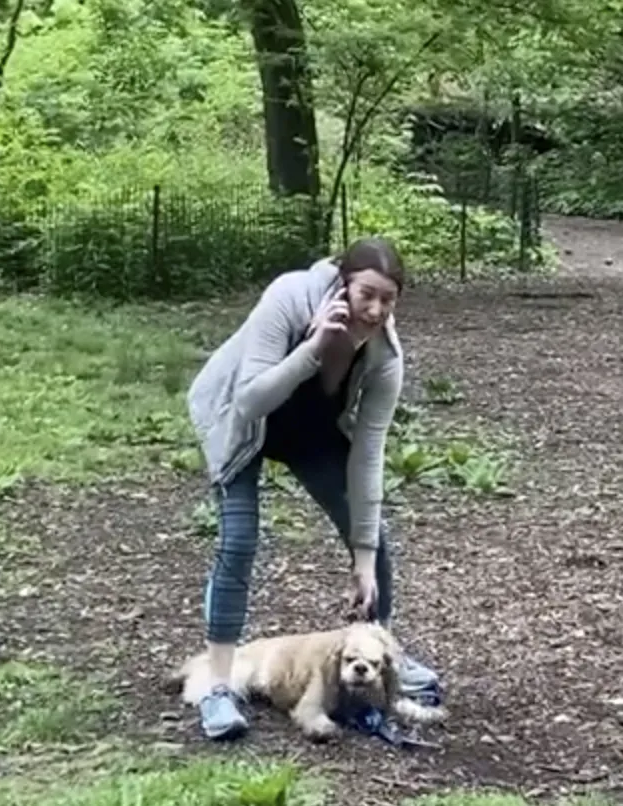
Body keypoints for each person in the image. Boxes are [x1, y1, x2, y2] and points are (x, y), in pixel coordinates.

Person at [185, 236, 437, 740]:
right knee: (239, 540)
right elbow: (250, 401)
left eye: (388, 299)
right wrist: (313, 348)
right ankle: (217, 687)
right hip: (241, 423)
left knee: (373, 540)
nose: (376, 309)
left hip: (309, 433)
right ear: (343, 285)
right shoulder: (290, 297)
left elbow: (368, 456)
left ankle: (378, 658)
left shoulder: (385, 355)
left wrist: (362, 558)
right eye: (366, 294)